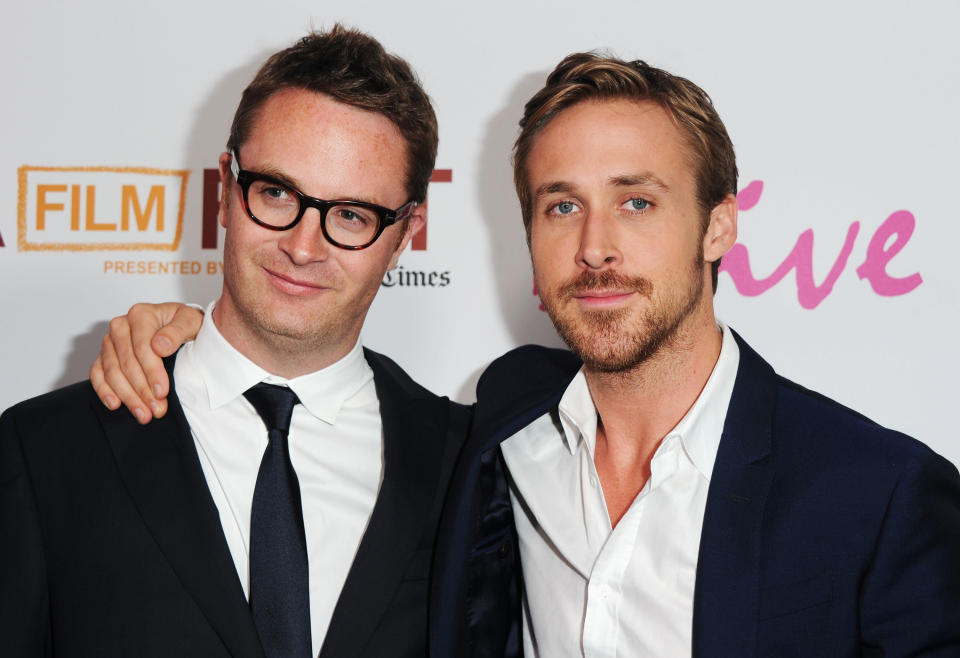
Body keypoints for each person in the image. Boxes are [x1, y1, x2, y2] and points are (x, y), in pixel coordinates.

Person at [89, 53, 960, 657]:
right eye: (560, 206)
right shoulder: (501, 433)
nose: (596, 248)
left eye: (639, 203)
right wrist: (187, 333)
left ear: (719, 224)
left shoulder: (876, 492)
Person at [0, 26, 469, 658]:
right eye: (275, 193)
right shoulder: (44, 453)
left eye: (352, 215)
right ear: (226, 188)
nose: (303, 247)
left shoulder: (470, 463)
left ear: (408, 232)